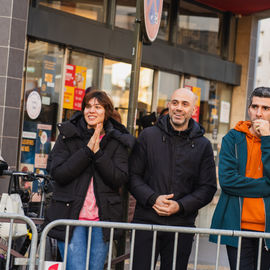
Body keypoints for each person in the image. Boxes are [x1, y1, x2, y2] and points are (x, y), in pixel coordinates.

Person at [45, 90, 135, 270]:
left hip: (102, 219)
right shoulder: (68, 134)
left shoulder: (117, 140)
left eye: (97, 107)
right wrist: (87, 151)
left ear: (106, 112)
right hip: (70, 215)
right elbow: (59, 173)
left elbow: (118, 178)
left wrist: (98, 153)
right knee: (76, 267)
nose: (91, 111)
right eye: (88, 106)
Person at [129, 88, 217, 270]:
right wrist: (153, 198)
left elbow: (207, 188)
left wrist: (180, 205)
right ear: (169, 105)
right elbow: (132, 176)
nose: (178, 108)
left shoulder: (203, 145)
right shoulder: (148, 136)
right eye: (175, 103)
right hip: (146, 221)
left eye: (185, 104)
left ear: (193, 110)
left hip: (181, 226)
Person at [210, 87, 270, 270]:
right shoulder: (232, 138)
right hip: (238, 227)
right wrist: (267, 186)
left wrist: (267, 139)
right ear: (249, 108)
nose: (259, 113)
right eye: (255, 106)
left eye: (266, 108)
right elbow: (227, 181)